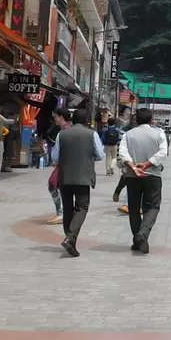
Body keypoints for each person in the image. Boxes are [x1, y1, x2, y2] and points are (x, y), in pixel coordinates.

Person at [52, 108, 103, 257]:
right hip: (83, 177)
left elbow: (54, 156)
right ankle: (70, 238)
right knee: (81, 208)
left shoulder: (62, 134)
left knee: (67, 208)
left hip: (65, 177)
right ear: (86, 121)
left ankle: (70, 239)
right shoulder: (92, 134)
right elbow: (99, 155)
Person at [118, 108, 168, 253]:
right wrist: (146, 164)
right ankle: (142, 234)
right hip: (152, 175)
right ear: (151, 119)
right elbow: (163, 152)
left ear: (136, 119)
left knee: (134, 208)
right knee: (152, 207)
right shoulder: (159, 133)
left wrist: (133, 166)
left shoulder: (128, 134)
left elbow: (122, 152)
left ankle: (137, 239)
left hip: (132, 177)